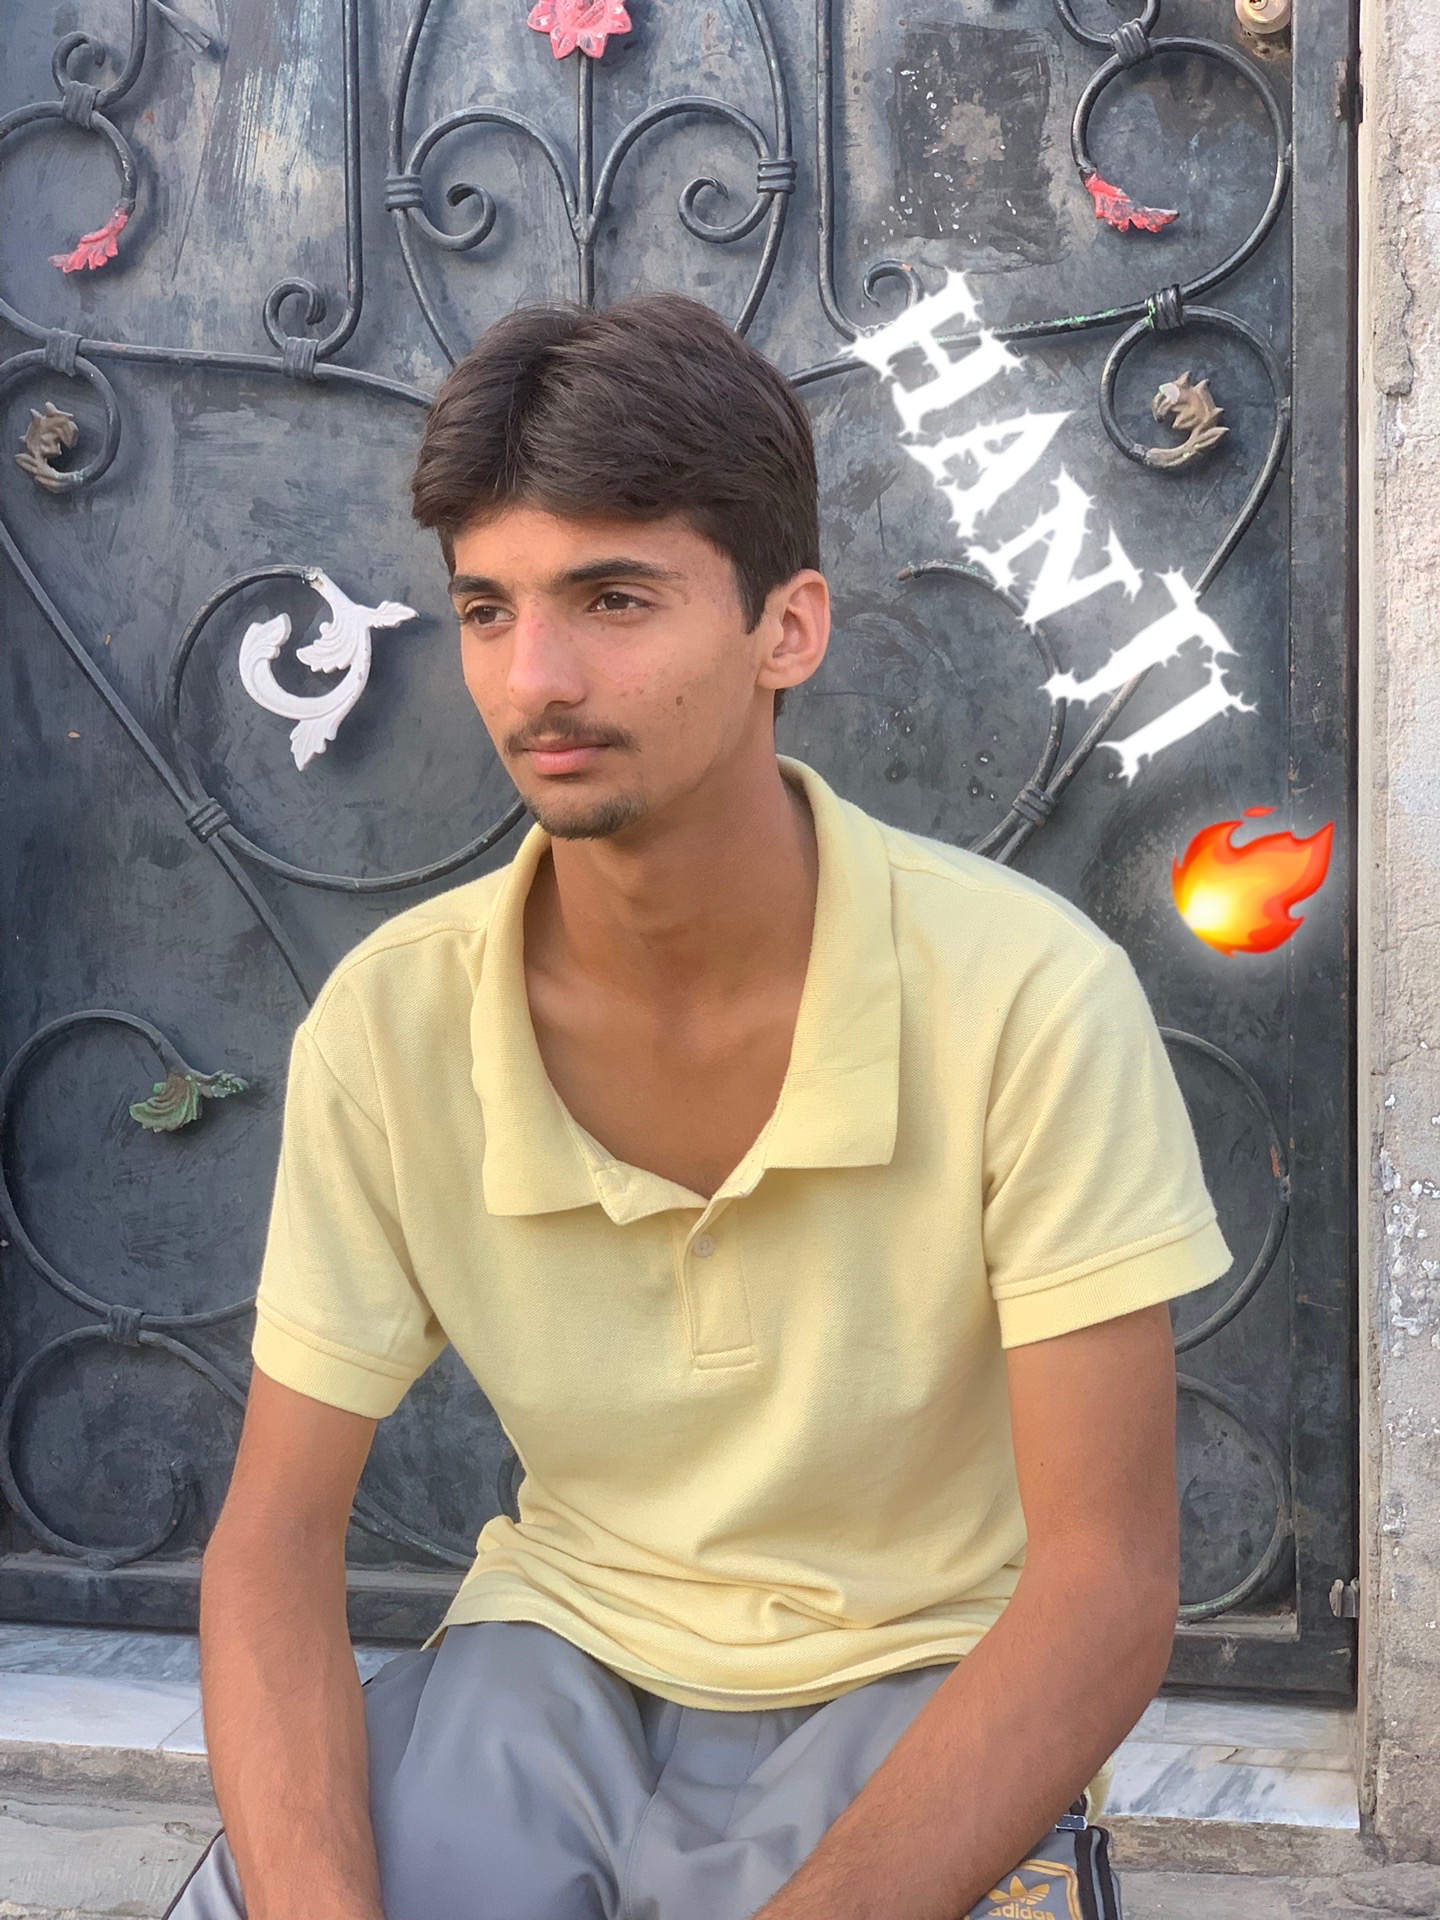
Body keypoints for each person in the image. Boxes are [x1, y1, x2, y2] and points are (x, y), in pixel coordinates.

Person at [170, 294, 1229, 1920]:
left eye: (613, 598)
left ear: (786, 629)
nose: (536, 678)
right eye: (487, 607)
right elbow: (269, 1545)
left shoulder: (1029, 997)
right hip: (547, 1656)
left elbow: (1107, 1586)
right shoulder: (389, 1025)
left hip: (920, 1671)